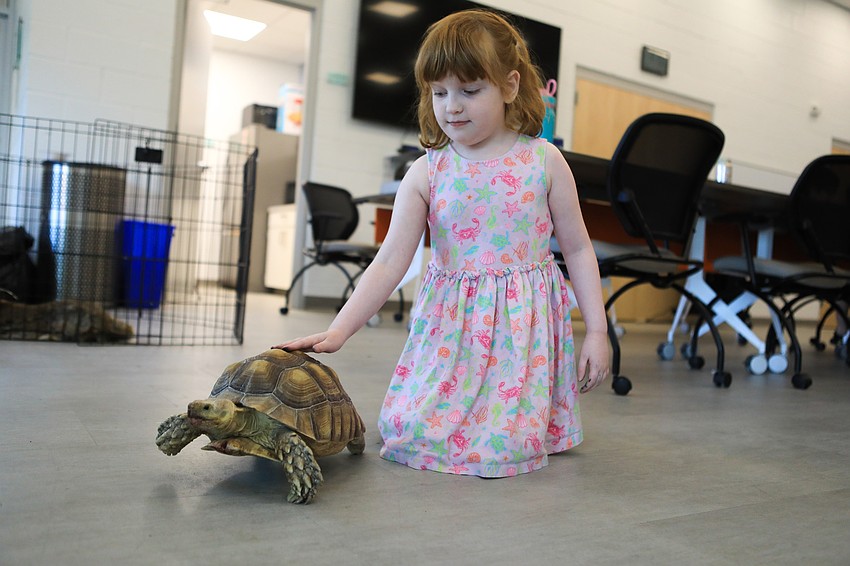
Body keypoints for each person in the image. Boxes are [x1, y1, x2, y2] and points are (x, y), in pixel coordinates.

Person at [274, 9, 609, 477]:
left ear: (510, 86)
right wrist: (339, 330)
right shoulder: (427, 171)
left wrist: (597, 331)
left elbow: (577, 249)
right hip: (451, 330)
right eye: (439, 92)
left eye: (470, 91)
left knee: (503, 443)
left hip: (520, 332)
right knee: (407, 427)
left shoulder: (545, 161)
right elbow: (390, 261)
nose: (452, 106)